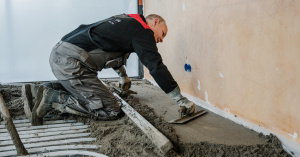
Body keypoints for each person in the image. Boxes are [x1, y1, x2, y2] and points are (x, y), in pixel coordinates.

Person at [22, 14, 195, 125]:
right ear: (155, 22)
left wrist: (123, 77)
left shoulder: (127, 20)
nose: (161, 40)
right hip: (71, 63)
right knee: (110, 109)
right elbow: (155, 65)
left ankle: (40, 89)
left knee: (90, 90)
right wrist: (180, 99)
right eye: (162, 33)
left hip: (60, 54)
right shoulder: (143, 31)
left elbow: (110, 48)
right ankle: (54, 98)